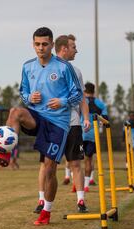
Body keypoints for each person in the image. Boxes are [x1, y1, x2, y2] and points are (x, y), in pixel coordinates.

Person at [0, 27, 83, 226]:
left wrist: (62, 101)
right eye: (37, 44)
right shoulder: (27, 66)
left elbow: (78, 94)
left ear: (52, 45)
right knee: (15, 112)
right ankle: (5, 153)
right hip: (38, 116)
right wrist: (29, 97)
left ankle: (46, 211)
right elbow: (23, 92)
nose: (41, 48)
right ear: (33, 44)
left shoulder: (63, 67)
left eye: (45, 44)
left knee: (49, 169)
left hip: (58, 123)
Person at [33, 34, 90, 215]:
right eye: (74, 46)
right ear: (64, 48)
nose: (76, 50)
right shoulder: (43, 67)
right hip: (51, 124)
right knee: (46, 165)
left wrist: (86, 118)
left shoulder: (76, 71)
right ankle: (42, 200)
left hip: (72, 124)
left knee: (75, 163)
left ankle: (81, 200)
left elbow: (81, 98)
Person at [82, 82, 108, 192]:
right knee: (89, 159)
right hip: (94, 135)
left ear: (84, 90)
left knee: (76, 161)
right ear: (94, 91)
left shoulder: (81, 102)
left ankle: (75, 182)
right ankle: (87, 184)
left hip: (81, 133)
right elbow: (106, 120)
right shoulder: (100, 104)